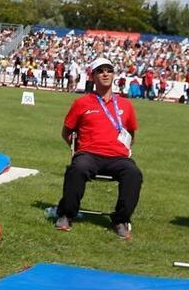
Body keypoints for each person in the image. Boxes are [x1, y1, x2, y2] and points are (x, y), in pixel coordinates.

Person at [54, 57, 141, 239]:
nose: (105, 74)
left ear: (114, 75)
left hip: (118, 157)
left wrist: (123, 150)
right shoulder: (82, 103)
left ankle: (120, 220)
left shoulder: (126, 105)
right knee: (77, 168)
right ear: (92, 76)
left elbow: (131, 134)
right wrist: (78, 149)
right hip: (89, 154)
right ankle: (66, 214)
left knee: (134, 173)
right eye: (100, 71)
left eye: (109, 70)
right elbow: (66, 132)